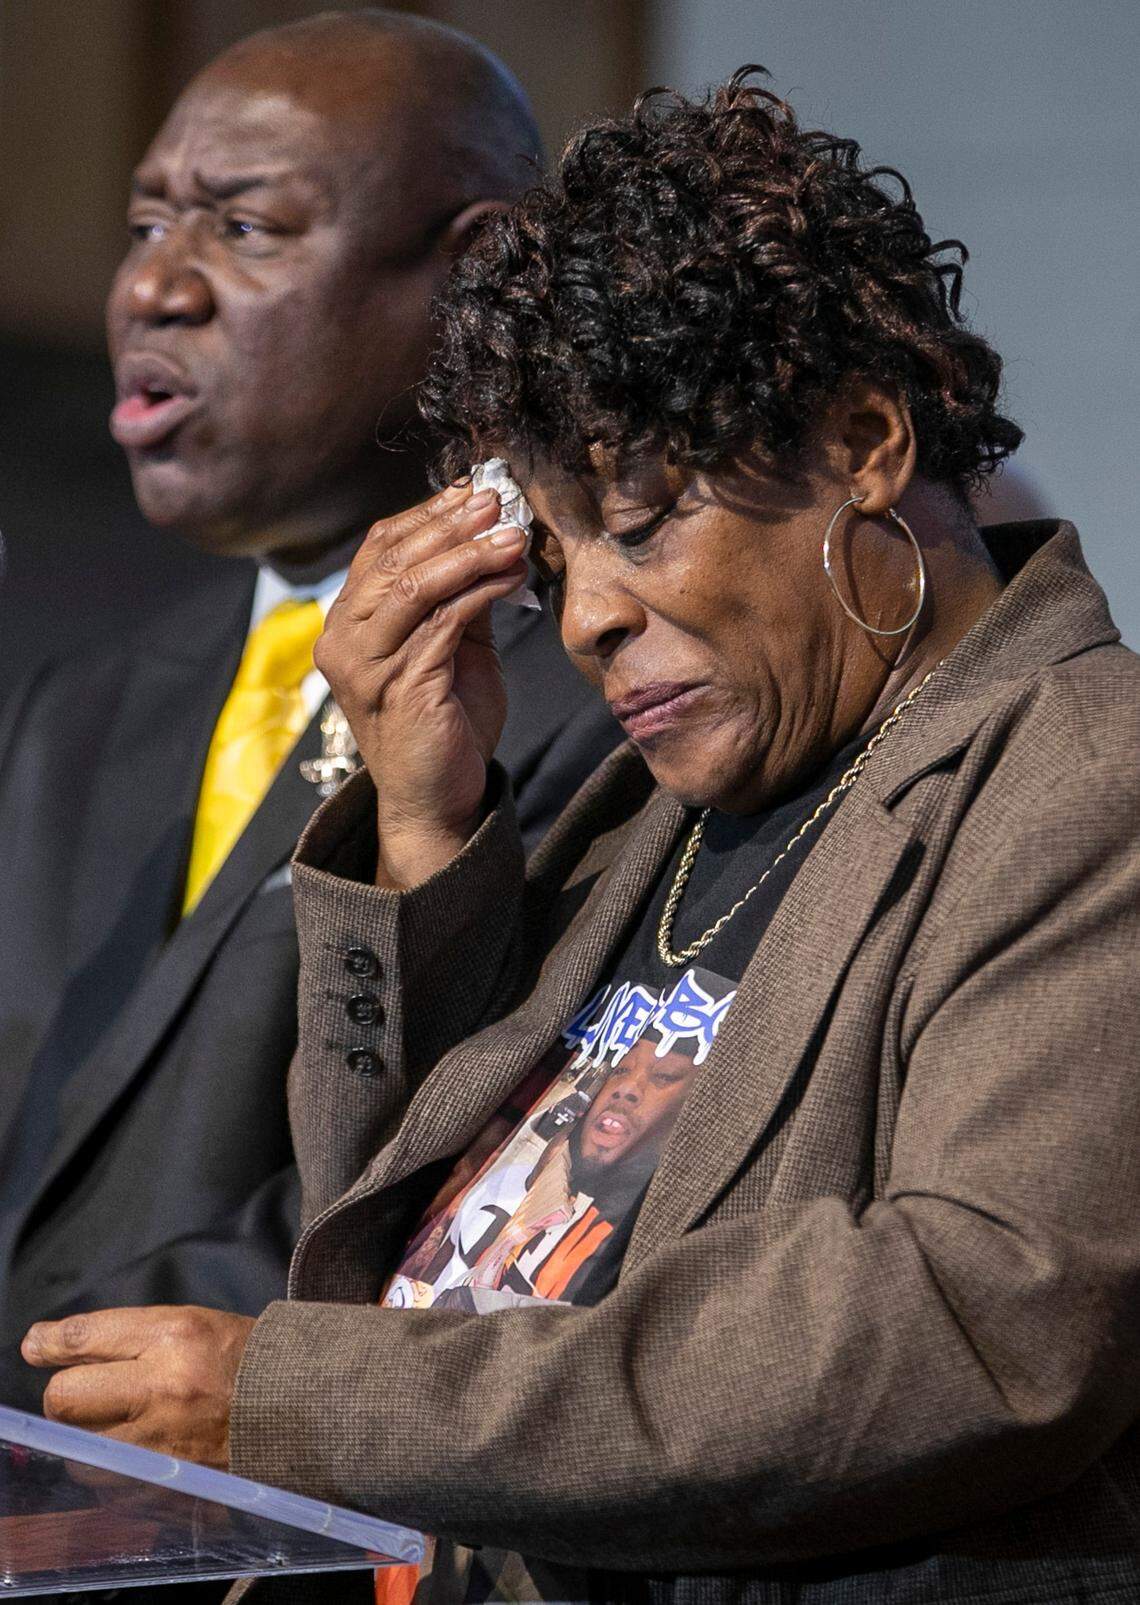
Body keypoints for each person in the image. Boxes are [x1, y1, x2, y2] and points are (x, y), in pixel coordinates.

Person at [24, 69, 1140, 1605]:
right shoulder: (657, 807)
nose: (593, 615)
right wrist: (420, 823)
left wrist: (315, 1407)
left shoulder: (1087, 768)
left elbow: (969, 1321)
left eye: (642, 515)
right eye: (554, 559)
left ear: (870, 439)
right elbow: (376, 1216)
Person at [0, 9, 619, 1410]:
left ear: (477, 274)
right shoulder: (85, 701)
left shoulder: (601, 686)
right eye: (146, 223)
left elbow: (478, 1192)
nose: (154, 287)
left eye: (244, 228)